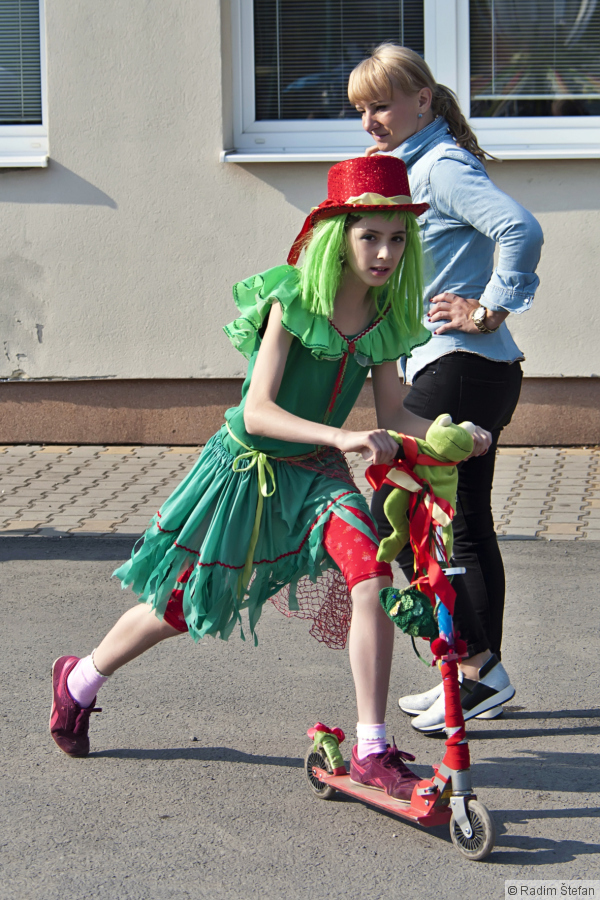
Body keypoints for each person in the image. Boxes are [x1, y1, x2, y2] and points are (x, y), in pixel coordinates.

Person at [49, 155, 492, 797]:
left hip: (317, 477)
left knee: (371, 573)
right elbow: (256, 412)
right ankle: (79, 679)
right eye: (370, 236)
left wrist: (454, 430)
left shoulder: (387, 317)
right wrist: (340, 436)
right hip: (245, 472)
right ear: (337, 235)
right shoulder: (292, 299)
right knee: (181, 607)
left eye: (398, 239)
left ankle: (371, 748)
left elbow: (396, 414)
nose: (385, 253)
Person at [348, 44, 544, 733]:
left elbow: (519, 229)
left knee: (396, 517)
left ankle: (477, 667)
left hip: (461, 364)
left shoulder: (442, 166)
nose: (369, 121)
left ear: (422, 100)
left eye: (381, 105)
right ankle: (473, 675)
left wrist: (487, 309)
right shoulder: (415, 165)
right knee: (463, 524)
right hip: (471, 370)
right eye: (361, 110)